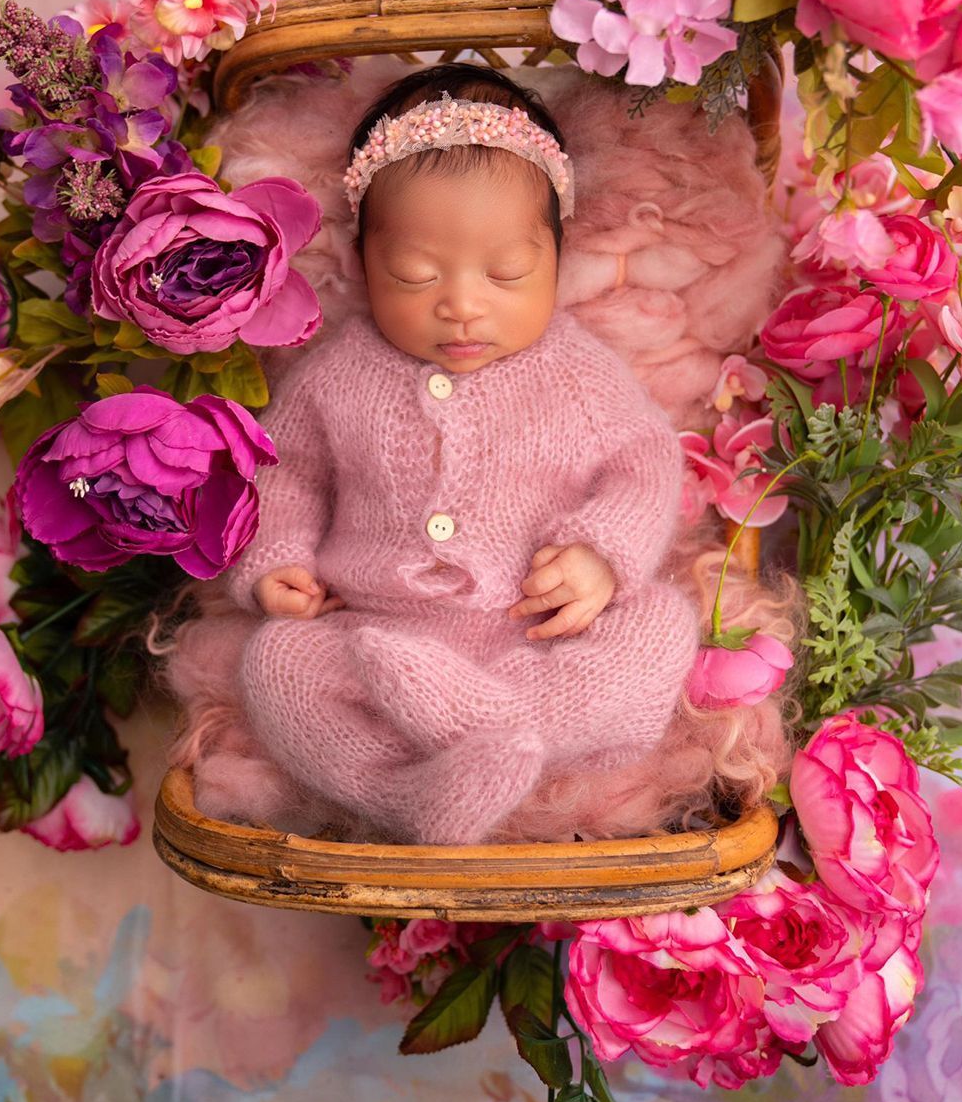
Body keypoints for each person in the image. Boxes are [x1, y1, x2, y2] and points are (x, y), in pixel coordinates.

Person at [227, 62, 700, 845]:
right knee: (276, 666)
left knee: (657, 625)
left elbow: (644, 462)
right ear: (365, 260)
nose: (462, 302)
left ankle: (498, 730)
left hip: (536, 638)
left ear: (557, 254)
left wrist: (603, 557)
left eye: (507, 272)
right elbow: (288, 474)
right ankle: (409, 792)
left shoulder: (577, 372)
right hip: (378, 641)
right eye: (413, 274)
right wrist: (277, 558)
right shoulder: (338, 374)